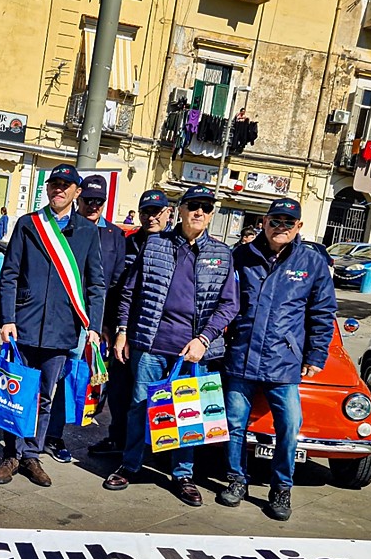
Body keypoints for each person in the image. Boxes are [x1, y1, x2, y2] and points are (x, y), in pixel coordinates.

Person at [105, 185, 239, 506]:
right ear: (180, 209)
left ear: (211, 214)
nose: (199, 212)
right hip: (150, 344)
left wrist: (204, 339)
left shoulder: (222, 254)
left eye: (206, 207)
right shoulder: (155, 245)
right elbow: (129, 292)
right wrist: (122, 331)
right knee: (139, 406)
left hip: (193, 352)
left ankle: (183, 475)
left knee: (188, 414)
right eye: (193, 205)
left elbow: (229, 304)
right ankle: (130, 464)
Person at [218, 197, 336, 521]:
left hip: (283, 362)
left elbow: (322, 313)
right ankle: (235, 480)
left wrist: (315, 354)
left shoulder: (311, 262)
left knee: (289, 426)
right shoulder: (241, 256)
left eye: (288, 222)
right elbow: (224, 301)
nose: (280, 227)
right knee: (234, 424)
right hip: (241, 357)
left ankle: (281, 488)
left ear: (299, 227)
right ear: (264, 223)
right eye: (275, 221)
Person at [0, 164, 105, 488]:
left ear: (76, 192)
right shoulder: (29, 224)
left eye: (66, 185)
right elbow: (10, 274)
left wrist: (94, 326)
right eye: (54, 184)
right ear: (47, 188)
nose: (59, 189)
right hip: (24, 325)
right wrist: (7, 318)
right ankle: (11, 454)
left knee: (44, 396)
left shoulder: (87, 232)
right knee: (15, 392)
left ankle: (31, 455)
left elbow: (95, 284)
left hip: (62, 329)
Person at [44, 174, 125, 463]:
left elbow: (114, 284)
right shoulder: (63, 226)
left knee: (71, 378)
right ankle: (33, 434)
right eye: (89, 200)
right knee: (48, 377)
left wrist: (102, 325)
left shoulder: (115, 235)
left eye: (99, 201)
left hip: (90, 322)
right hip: (58, 316)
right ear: (79, 197)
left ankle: (54, 435)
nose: (93, 206)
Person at [88, 188, 173, 456]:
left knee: (149, 394)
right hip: (122, 330)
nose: (151, 218)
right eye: (146, 212)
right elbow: (113, 287)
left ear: (168, 213)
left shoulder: (175, 245)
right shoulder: (127, 242)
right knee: (118, 389)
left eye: (157, 212)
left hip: (156, 334)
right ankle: (117, 438)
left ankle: (149, 447)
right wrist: (105, 324)